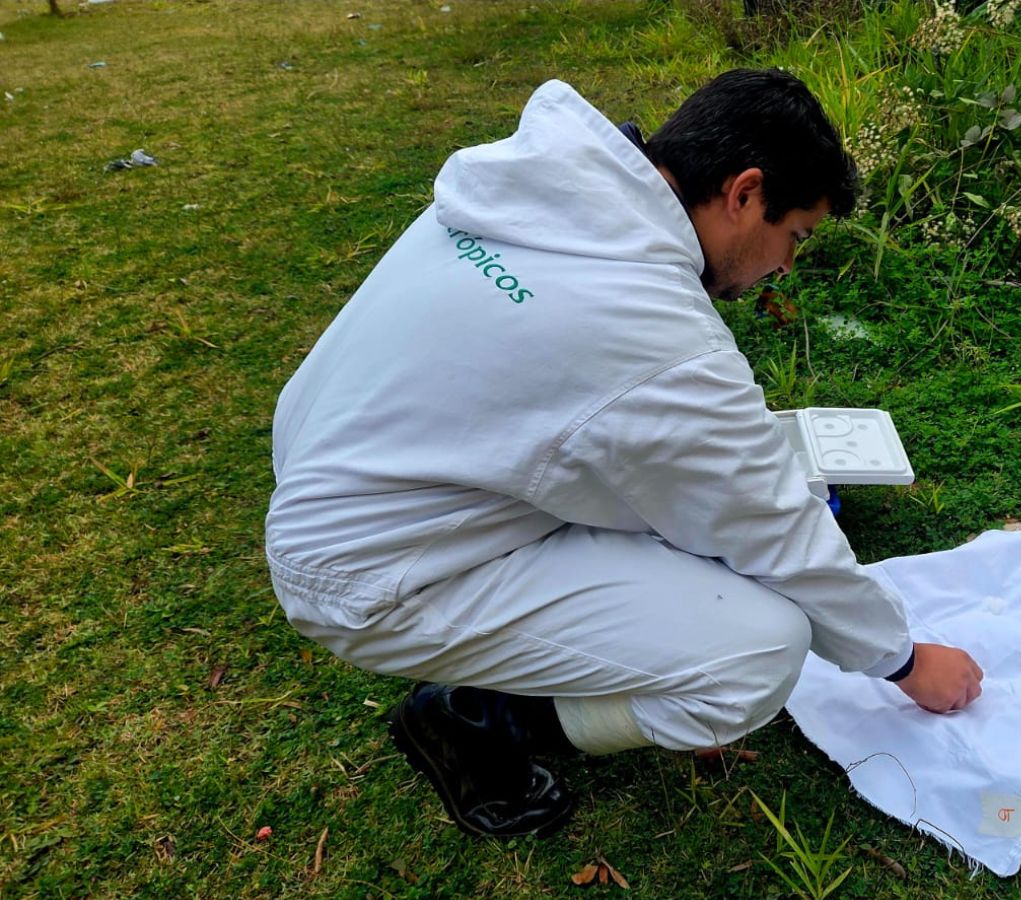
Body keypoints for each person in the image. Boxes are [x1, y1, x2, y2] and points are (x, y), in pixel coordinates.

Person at [265, 69, 984, 840]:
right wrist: (903, 660)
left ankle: (493, 679)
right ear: (744, 193)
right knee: (758, 650)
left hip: (337, 467)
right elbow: (771, 526)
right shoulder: (650, 328)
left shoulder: (540, 190)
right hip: (366, 574)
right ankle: (479, 718)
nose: (786, 267)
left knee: (684, 516)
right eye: (794, 238)